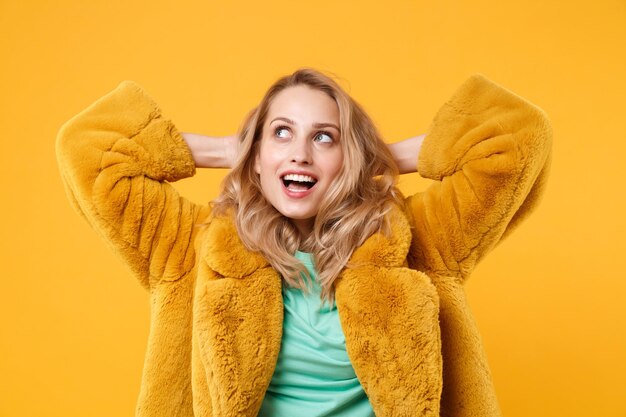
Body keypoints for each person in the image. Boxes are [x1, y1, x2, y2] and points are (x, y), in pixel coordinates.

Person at [56, 69, 552, 417]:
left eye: (324, 138)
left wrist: (376, 156)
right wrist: (232, 149)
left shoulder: (416, 240)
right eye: (281, 133)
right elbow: (89, 148)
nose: (299, 154)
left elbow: (516, 136)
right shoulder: (193, 248)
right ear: (256, 154)